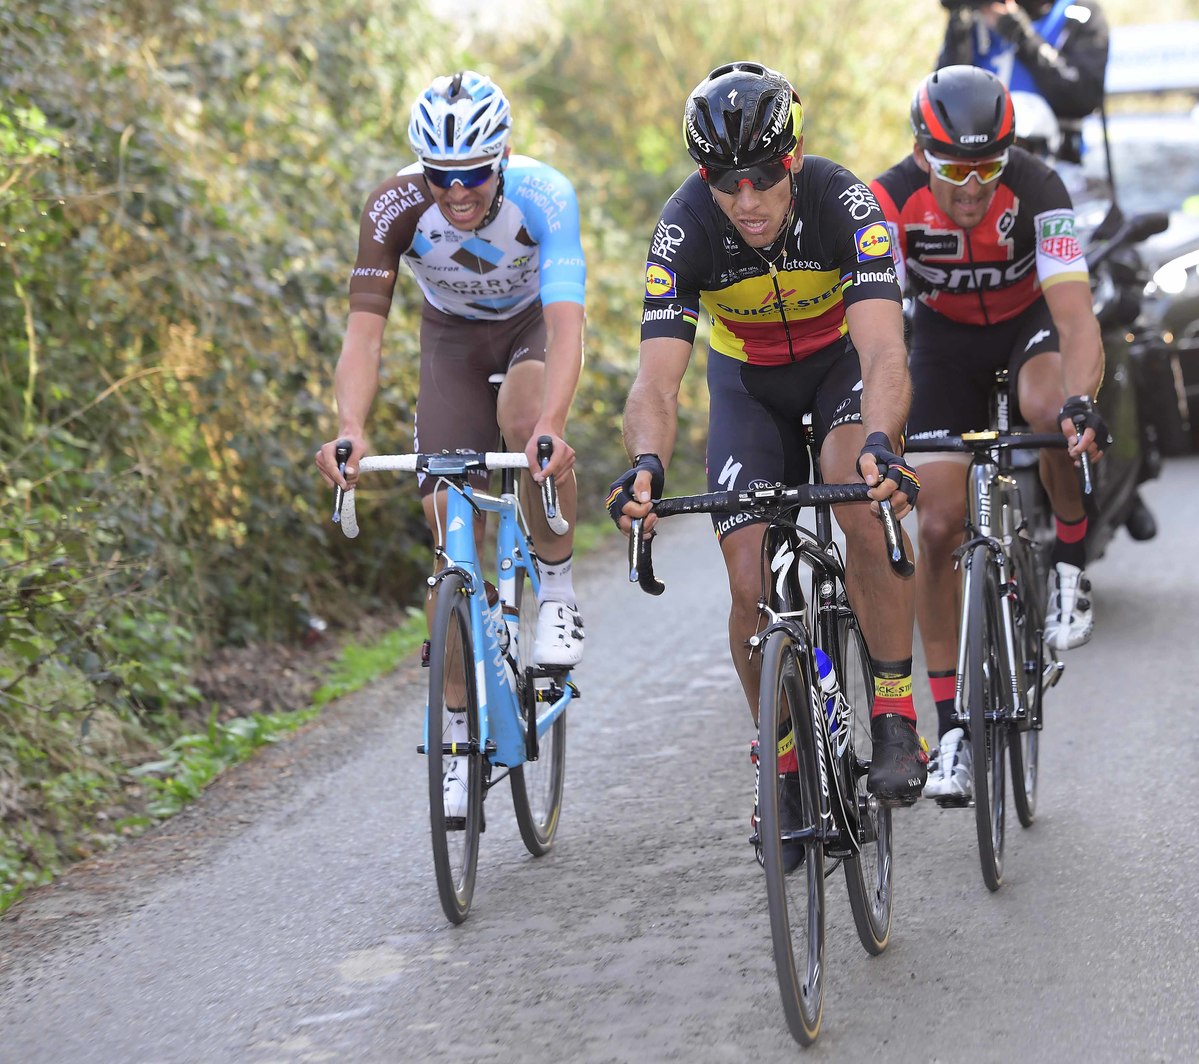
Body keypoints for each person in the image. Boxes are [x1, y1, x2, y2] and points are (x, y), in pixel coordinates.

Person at [607, 61, 928, 866]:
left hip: (840, 373)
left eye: (761, 176)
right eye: (723, 179)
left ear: (795, 158)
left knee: (860, 499)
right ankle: (781, 763)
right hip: (749, 390)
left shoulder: (843, 202)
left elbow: (884, 352)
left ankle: (895, 712)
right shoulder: (684, 227)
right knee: (748, 580)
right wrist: (645, 465)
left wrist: (883, 441)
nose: (745, 199)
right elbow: (656, 382)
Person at [313, 71, 588, 813]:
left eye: (473, 173)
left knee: (525, 423)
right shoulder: (394, 206)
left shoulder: (545, 195)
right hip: (452, 341)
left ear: (503, 159)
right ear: (422, 169)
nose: (457, 192)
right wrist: (350, 428)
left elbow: (568, 327)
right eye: (441, 175)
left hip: (531, 328)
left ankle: (557, 590)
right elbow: (363, 337)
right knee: (445, 525)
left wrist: (554, 425)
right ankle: (459, 738)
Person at [871, 66, 1111, 801]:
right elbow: (872, 324)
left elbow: (1075, 316)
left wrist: (1082, 401)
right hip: (942, 343)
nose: (973, 188)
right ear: (921, 153)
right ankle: (951, 729)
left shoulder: (1039, 188)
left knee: (1048, 410)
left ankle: (1070, 562)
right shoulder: (887, 200)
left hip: (1027, 326)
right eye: (953, 169)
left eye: (988, 167)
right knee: (937, 523)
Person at [938, 0, 1109, 166]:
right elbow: (942, 100)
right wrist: (959, 31)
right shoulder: (977, 19)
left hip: (1054, 156)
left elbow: (1084, 98)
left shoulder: (1079, 13)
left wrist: (1023, 37)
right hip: (978, 158)